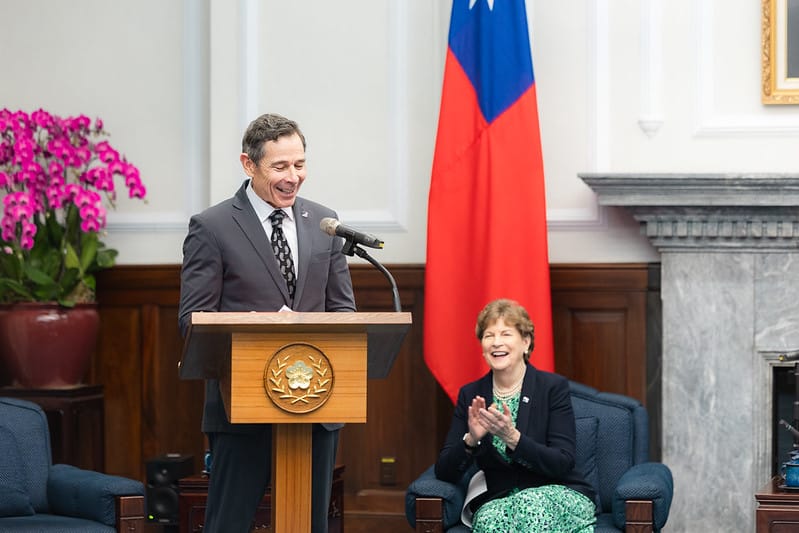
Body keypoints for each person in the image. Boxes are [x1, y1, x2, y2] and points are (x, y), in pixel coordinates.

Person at [178, 113, 356, 533]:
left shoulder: (324, 221)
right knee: (229, 524)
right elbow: (192, 321)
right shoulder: (213, 226)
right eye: (280, 166)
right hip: (242, 405)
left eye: (299, 164)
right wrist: (255, 325)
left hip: (316, 401)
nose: (293, 177)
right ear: (248, 164)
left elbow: (344, 313)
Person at [435, 298, 596, 533]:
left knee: (531, 508)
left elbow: (562, 462)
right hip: (500, 499)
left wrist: (513, 438)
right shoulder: (471, 394)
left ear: (526, 342)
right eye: (489, 335)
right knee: (489, 520)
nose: (496, 343)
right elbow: (444, 471)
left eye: (506, 334)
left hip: (556, 491)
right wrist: (471, 440)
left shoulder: (552, 388)